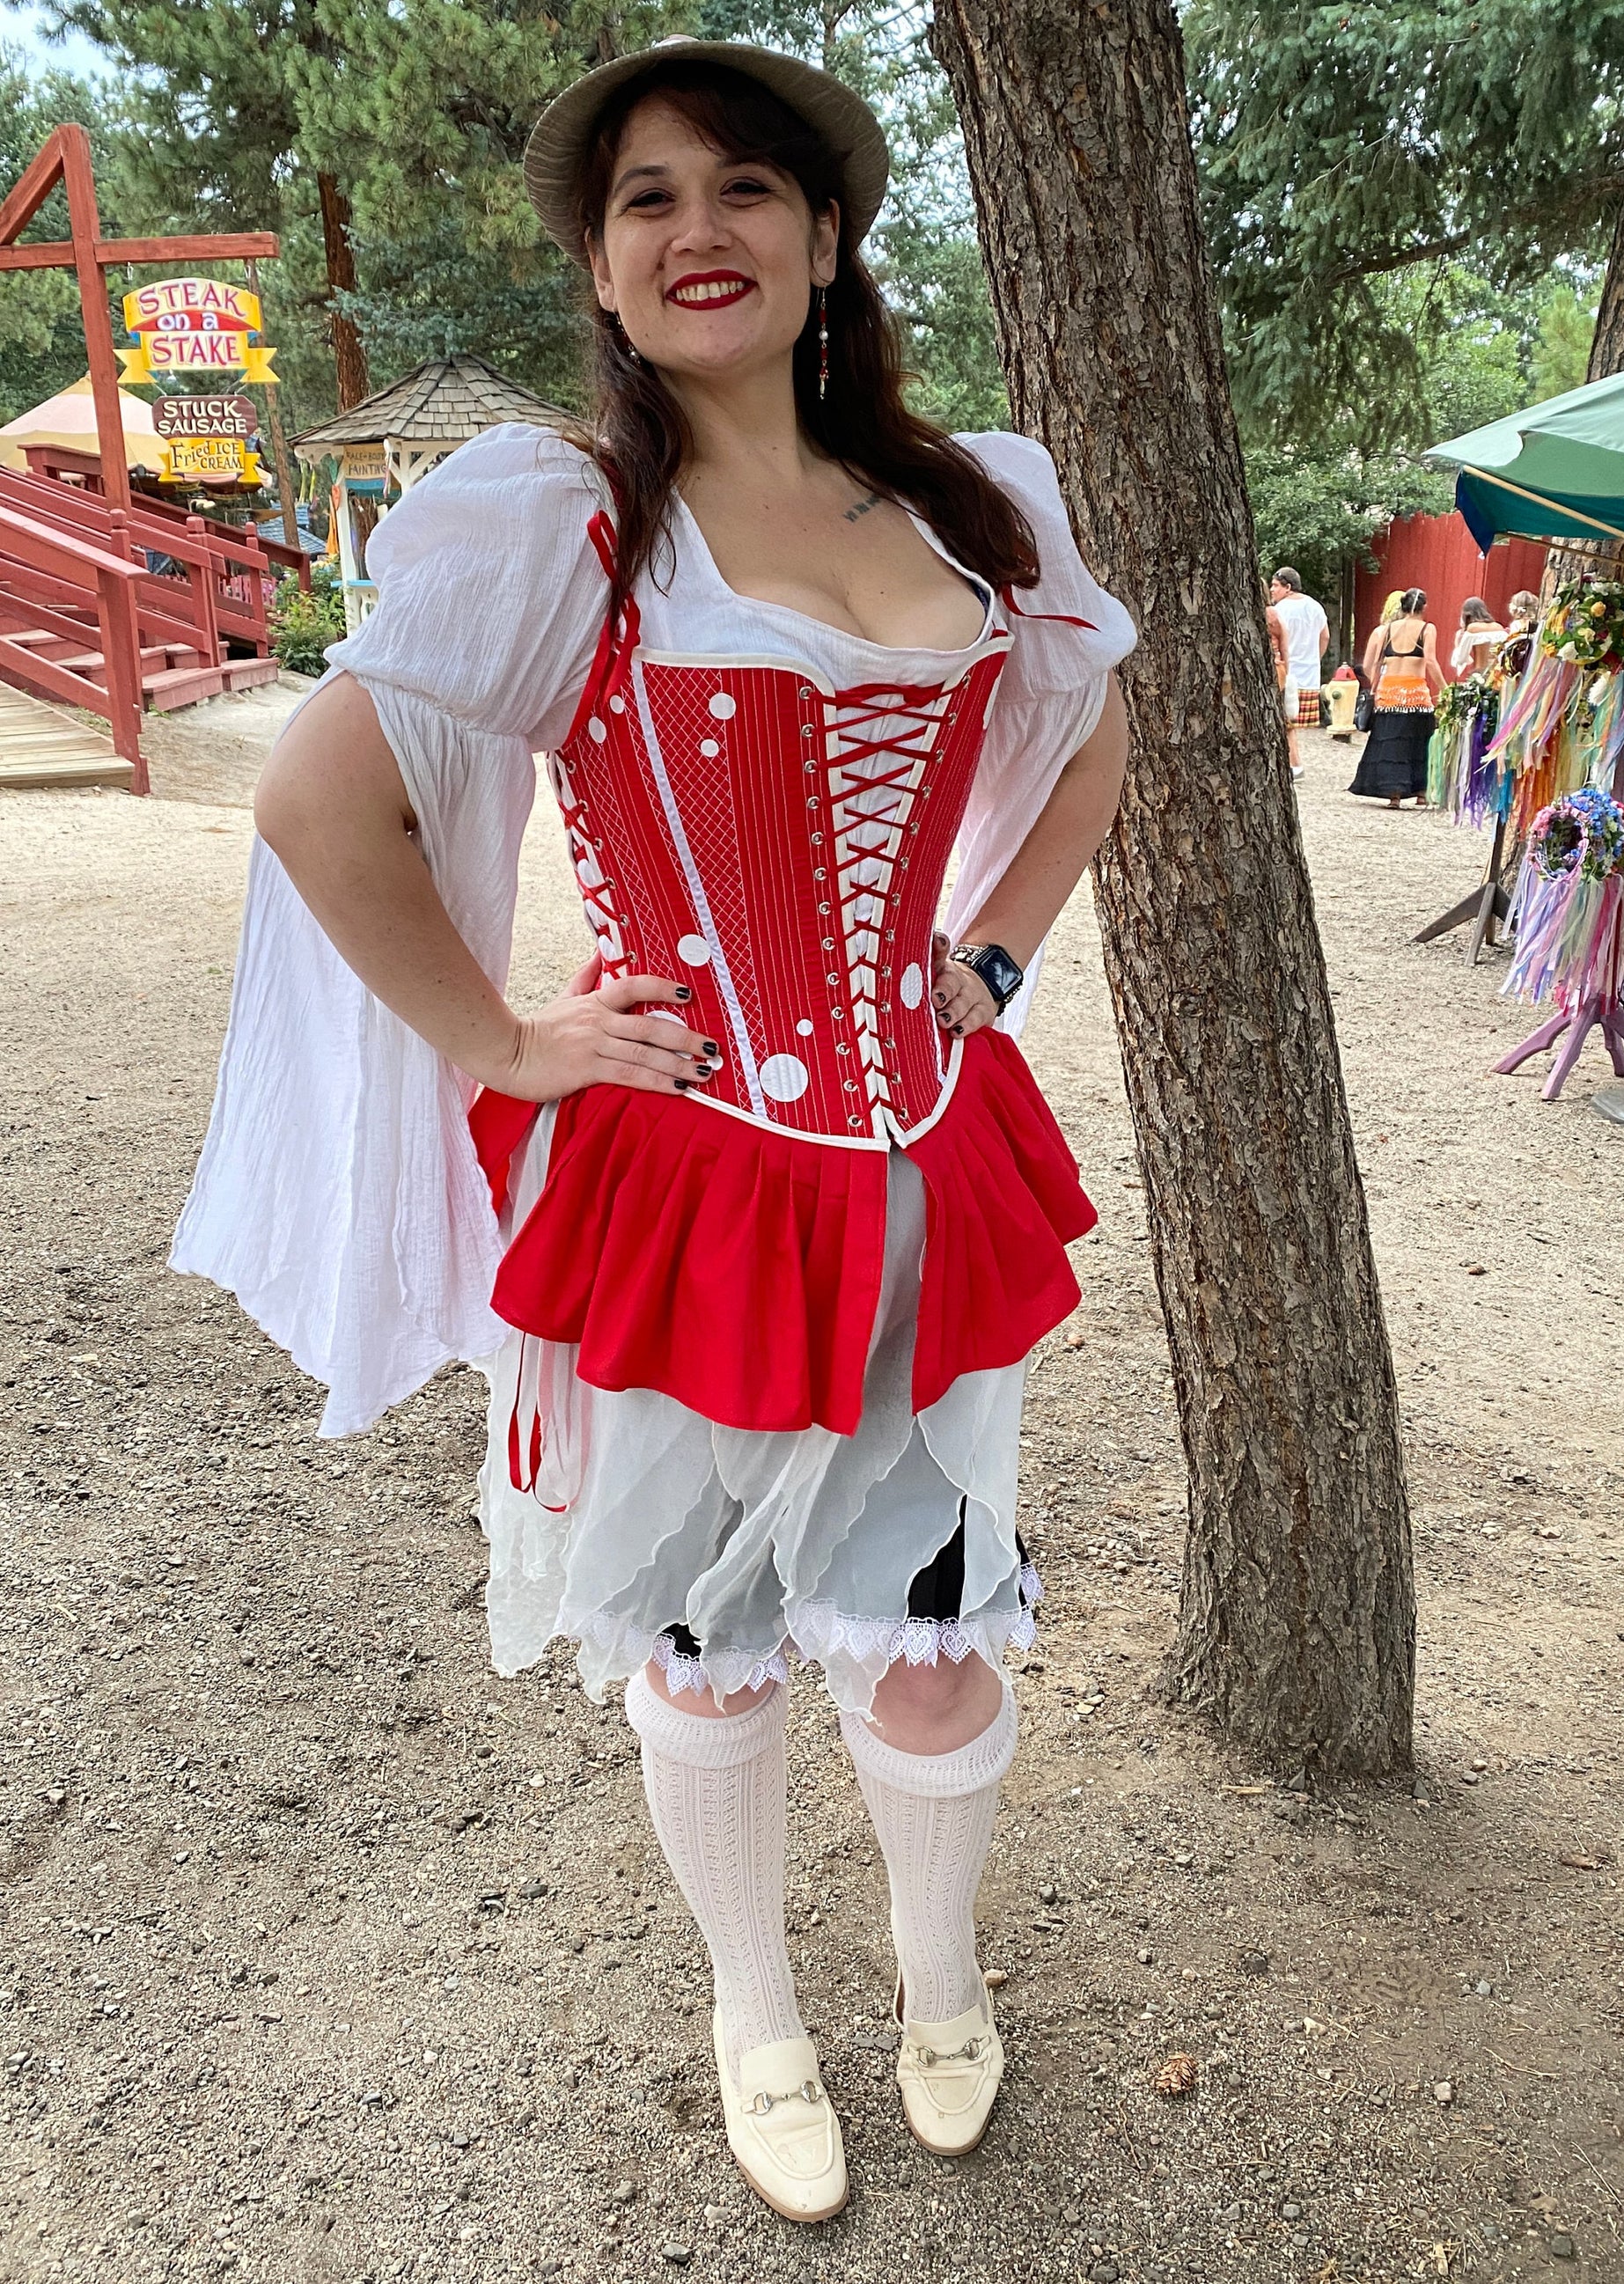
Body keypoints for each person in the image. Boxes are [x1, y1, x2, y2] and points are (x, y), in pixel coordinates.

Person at [172, 36, 1134, 2226]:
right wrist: (508, 1046)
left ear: (822, 241)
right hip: (697, 1181)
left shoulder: (973, 503)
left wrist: (985, 963)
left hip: (926, 1163)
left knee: (934, 1604)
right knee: (706, 1627)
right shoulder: (570, 524)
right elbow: (326, 800)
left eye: (744, 191)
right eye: (646, 203)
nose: (699, 232)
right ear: (602, 275)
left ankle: (935, 1967)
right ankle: (753, 2008)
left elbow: (1085, 735)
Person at [1349, 585, 1444, 806]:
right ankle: (1421, 792)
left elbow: (1372, 664)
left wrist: (1376, 687)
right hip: (1415, 695)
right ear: (1425, 607)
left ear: (1402, 607)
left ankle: (1393, 794)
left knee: (1390, 743)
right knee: (1420, 742)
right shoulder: (1427, 629)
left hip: (1389, 692)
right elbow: (1430, 660)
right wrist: (1444, 686)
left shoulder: (1387, 630)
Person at [1268, 566, 1328, 735]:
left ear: (1288, 587)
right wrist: (1315, 658)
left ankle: (1293, 761)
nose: (1272, 590)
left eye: (1276, 585)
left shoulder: (1280, 610)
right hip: (1309, 676)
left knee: (1285, 729)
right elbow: (1325, 637)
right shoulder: (1315, 606)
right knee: (1293, 730)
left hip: (1286, 675)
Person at [1266, 595, 1304, 782]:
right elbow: (1284, 647)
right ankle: (1294, 763)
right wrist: (1286, 671)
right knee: (1284, 718)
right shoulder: (1273, 615)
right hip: (1277, 666)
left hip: (1261, 666)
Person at [1449, 594, 1506, 679]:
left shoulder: (1472, 628)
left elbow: (1461, 659)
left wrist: (1457, 643)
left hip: (1479, 675)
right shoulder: (1498, 627)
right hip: (1497, 676)